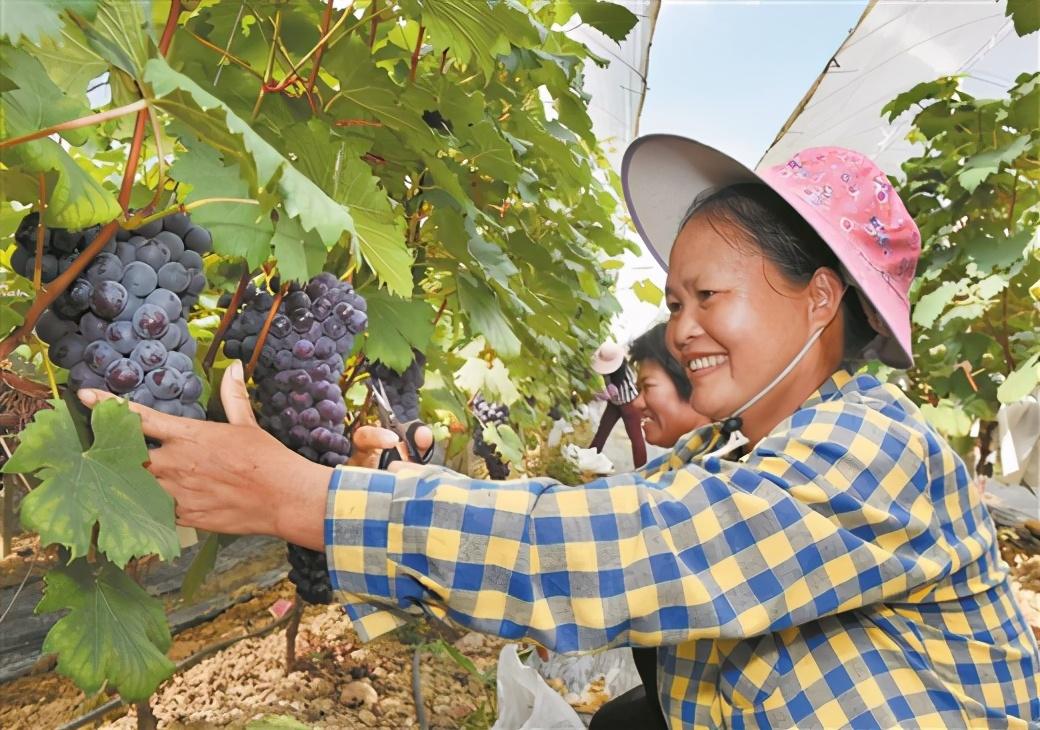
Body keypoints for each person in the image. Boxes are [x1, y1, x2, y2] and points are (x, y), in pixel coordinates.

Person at [79, 137, 1040, 728]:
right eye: (675, 301)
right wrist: (397, 481)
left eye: (710, 297)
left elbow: (611, 557)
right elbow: (574, 522)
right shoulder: (723, 453)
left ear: (821, 297)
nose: (683, 329)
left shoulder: (878, 449)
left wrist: (312, 501)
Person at [592, 322, 711, 729]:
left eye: (649, 387)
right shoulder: (684, 466)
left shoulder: (709, 486)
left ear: (694, 382)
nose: (638, 403)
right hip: (672, 693)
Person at [589, 341, 647, 468]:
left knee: (635, 437)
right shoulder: (610, 363)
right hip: (616, 403)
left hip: (629, 403)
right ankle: (588, 461)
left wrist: (604, 393)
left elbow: (614, 387)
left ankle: (642, 472)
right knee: (603, 430)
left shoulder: (620, 366)